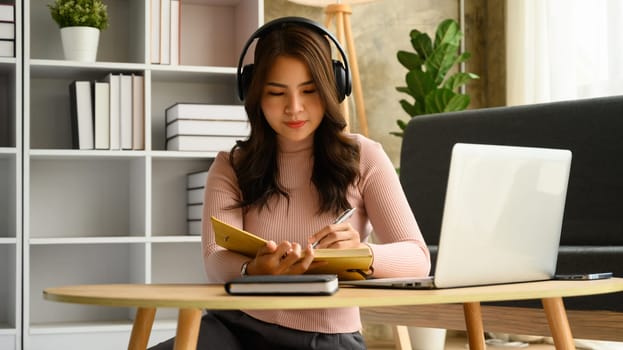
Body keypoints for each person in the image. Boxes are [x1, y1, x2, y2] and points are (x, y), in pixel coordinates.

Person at [150, 16, 430, 350]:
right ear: (254, 95)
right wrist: (252, 269)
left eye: (309, 91)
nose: (294, 108)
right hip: (235, 327)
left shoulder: (365, 156)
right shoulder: (231, 166)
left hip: (327, 337)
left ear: (332, 88)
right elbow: (215, 259)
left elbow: (417, 256)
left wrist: (363, 254)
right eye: (276, 93)